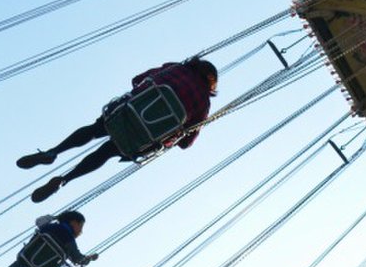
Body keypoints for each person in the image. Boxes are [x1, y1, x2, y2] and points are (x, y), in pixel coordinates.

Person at [17, 58, 217, 203]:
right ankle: (65, 180)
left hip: (125, 113)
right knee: (106, 153)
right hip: (141, 138)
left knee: (95, 129)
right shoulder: (204, 104)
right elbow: (186, 143)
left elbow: (138, 79)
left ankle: (53, 152)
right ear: (210, 83)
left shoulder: (175, 67)